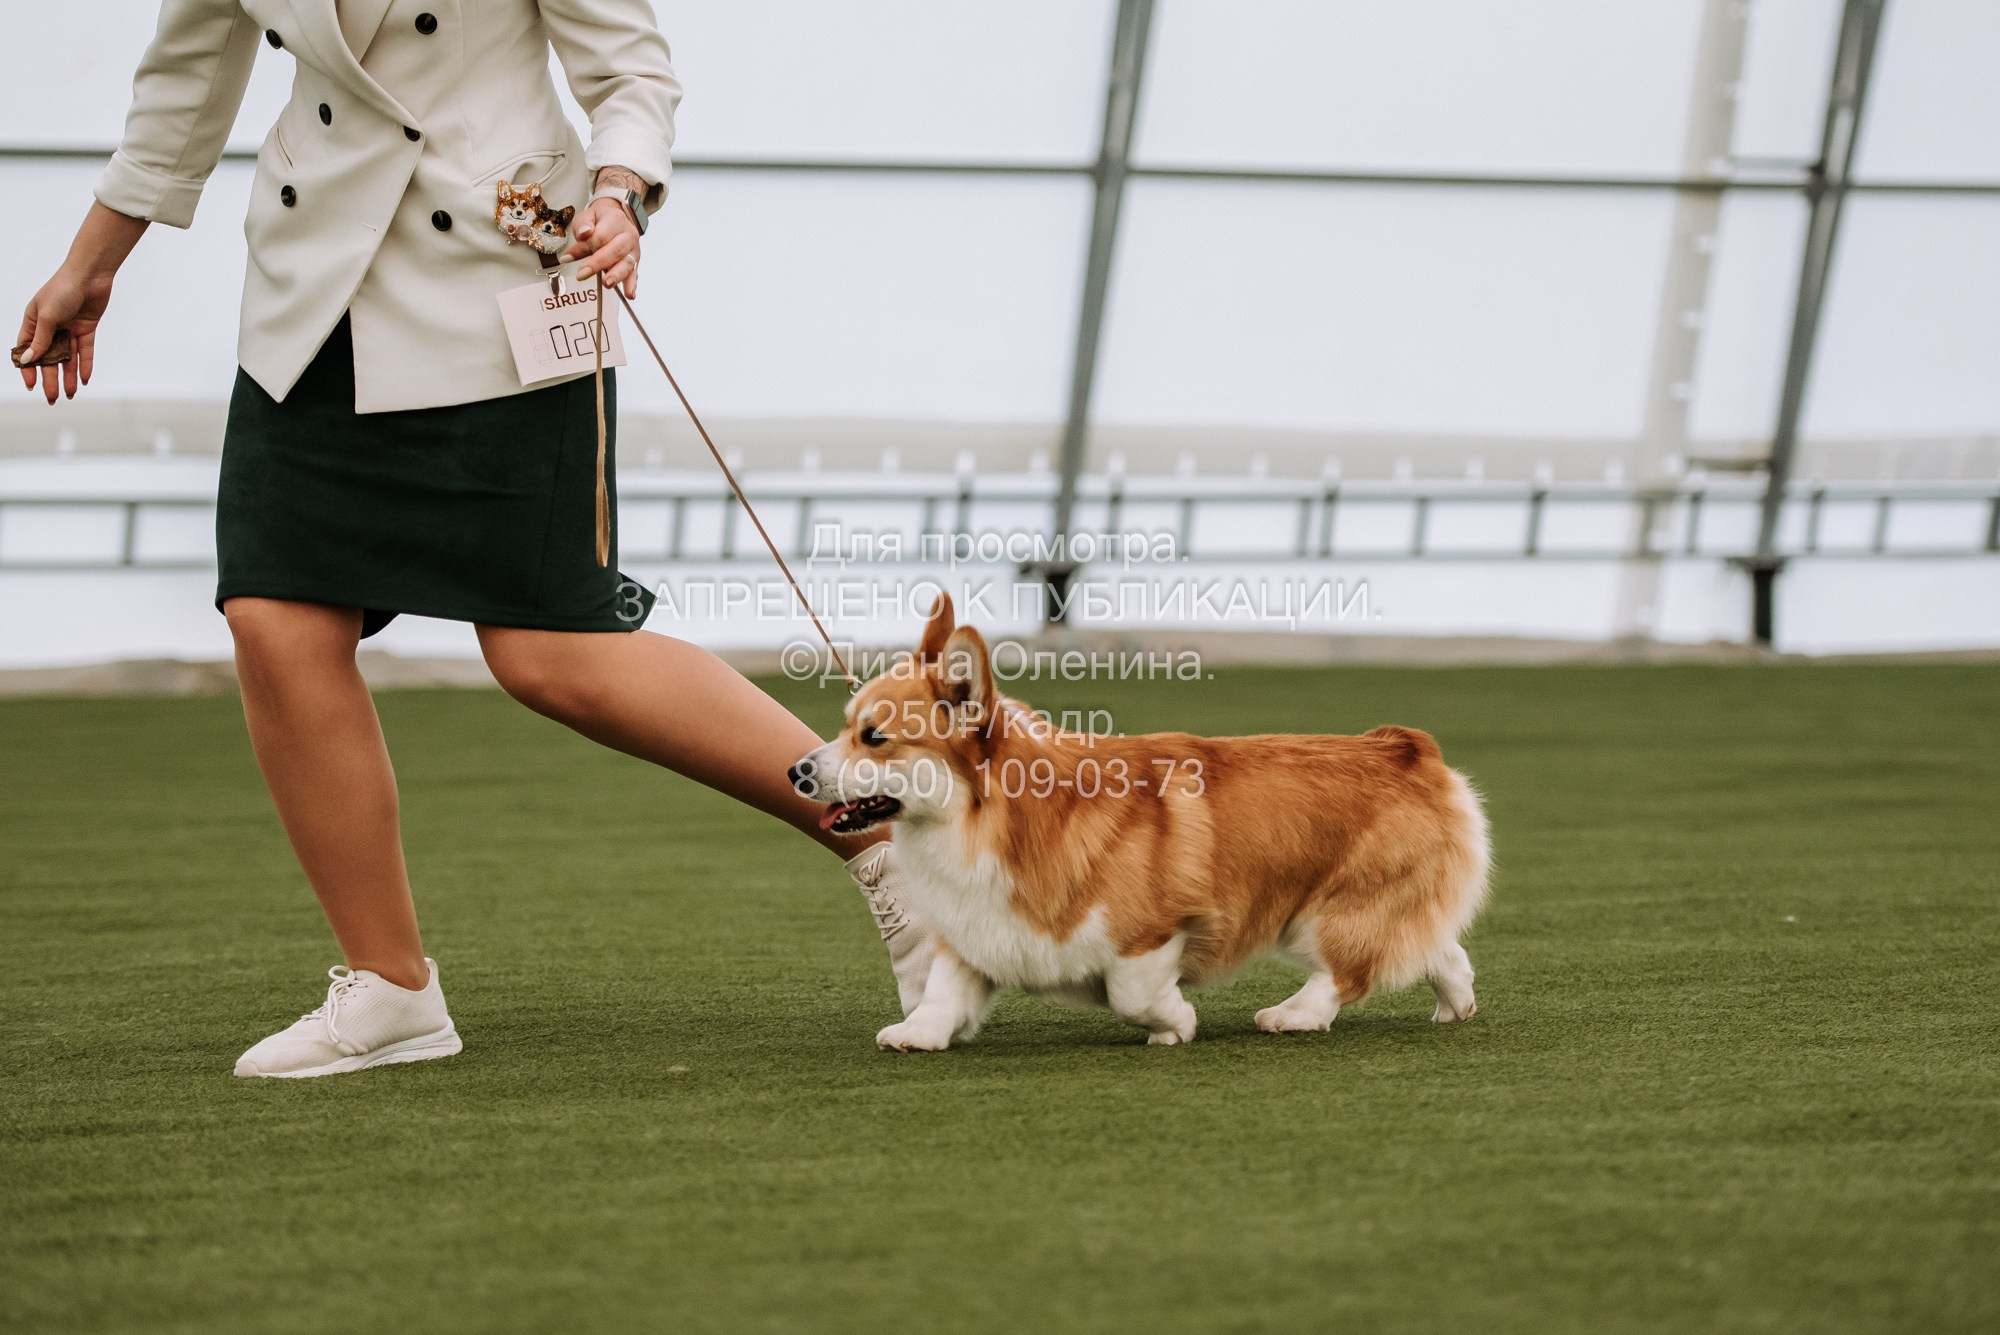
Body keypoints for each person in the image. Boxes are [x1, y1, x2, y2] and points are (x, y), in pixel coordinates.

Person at [15, 0, 932, 1077]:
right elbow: (181, 84)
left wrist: (619, 193)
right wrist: (93, 262)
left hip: (509, 288)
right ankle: (391, 985)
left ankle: (879, 844)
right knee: (273, 618)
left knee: (555, 654)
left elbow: (629, 72)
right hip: (310, 305)